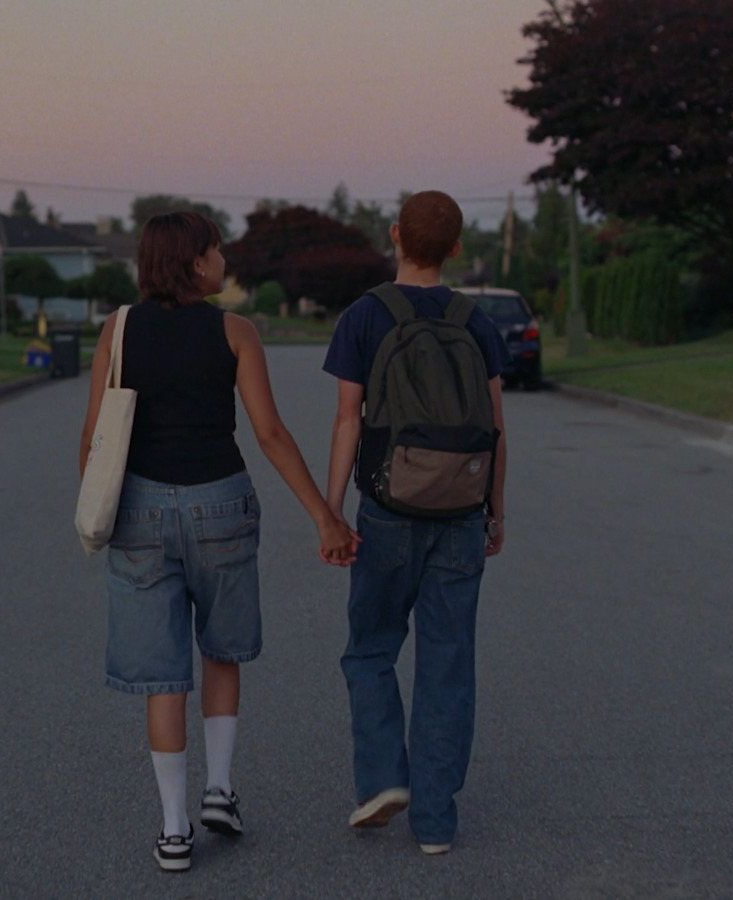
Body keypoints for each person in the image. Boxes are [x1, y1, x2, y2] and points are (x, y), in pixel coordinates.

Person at [79, 211, 360, 873]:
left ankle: (175, 830)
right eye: (215, 251)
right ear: (192, 261)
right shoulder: (236, 331)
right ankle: (219, 790)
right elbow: (269, 433)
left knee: (162, 674)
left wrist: (102, 509)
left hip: (140, 507)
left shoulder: (116, 331)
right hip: (221, 503)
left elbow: (94, 433)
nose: (223, 262)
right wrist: (325, 515)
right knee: (221, 650)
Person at [321, 190, 510, 856]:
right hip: (460, 513)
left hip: (386, 511)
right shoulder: (477, 321)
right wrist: (496, 508)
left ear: (396, 235)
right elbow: (494, 428)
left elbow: (348, 419)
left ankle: (381, 779)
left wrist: (331, 510)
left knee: (370, 649)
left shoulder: (366, 317)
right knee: (448, 663)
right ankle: (435, 822)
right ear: (456, 247)